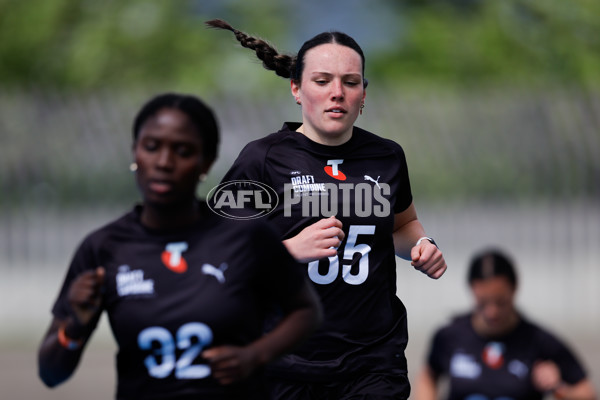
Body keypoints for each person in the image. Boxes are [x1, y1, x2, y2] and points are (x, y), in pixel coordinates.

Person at [206, 19, 448, 399]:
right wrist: (286, 252)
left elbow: (404, 225)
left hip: (373, 361)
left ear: (363, 94)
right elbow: (213, 254)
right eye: (322, 81)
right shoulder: (263, 159)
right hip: (285, 361)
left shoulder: (387, 156)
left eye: (350, 82)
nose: (337, 92)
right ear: (296, 89)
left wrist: (422, 247)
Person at [37, 93, 322, 400]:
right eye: (151, 147)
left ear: (206, 162)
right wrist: (74, 329)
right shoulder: (103, 248)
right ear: (135, 152)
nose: (164, 162)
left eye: (183, 151)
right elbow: (51, 374)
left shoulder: (248, 237)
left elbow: (306, 311)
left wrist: (256, 355)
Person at [415, 248, 597, 400]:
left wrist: (558, 388)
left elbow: (588, 394)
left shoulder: (539, 341)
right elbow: (428, 376)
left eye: (501, 302)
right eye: (483, 303)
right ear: (472, 290)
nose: (492, 312)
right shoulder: (449, 336)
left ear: (515, 288)